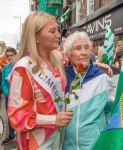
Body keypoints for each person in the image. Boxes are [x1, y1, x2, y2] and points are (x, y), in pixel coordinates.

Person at [8, 12, 73, 150]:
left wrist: (98, 65)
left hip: (57, 134)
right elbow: (17, 116)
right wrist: (53, 120)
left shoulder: (56, 60)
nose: (58, 35)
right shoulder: (23, 68)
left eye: (58, 30)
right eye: (52, 31)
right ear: (36, 37)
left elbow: (76, 62)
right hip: (35, 142)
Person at [62, 31, 113, 150]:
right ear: (69, 54)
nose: (84, 52)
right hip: (67, 145)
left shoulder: (101, 77)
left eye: (86, 47)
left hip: (95, 144)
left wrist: (107, 136)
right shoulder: (62, 77)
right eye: (78, 48)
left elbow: (110, 109)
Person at [1, 47, 17, 145]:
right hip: (9, 98)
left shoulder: (21, 66)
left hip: (21, 98)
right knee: (10, 117)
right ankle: (11, 135)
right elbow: (3, 83)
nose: (9, 58)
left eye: (11, 55)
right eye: (7, 56)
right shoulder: (5, 68)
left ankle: (22, 135)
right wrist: (8, 94)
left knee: (22, 116)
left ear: (16, 55)